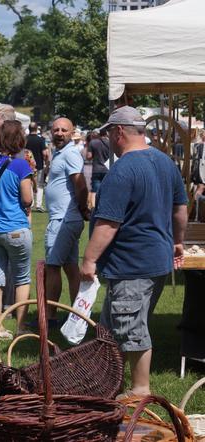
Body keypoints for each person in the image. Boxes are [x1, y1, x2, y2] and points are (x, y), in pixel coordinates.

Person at [80, 106, 187, 399]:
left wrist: (89, 259)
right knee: (112, 328)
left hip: (132, 263)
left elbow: (108, 223)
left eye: (109, 134)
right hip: (156, 261)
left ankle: (140, 390)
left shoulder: (123, 169)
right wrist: (178, 241)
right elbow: (180, 208)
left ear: (118, 132)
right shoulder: (166, 162)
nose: (109, 140)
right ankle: (105, 382)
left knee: (131, 328)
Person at [0, 121, 33, 340]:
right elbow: (28, 199)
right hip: (16, 228)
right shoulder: (21, 166)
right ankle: (20, 327)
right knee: (21, 278)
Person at [43, 117, 89, 325]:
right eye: (56, 130)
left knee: (52, 266)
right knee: (70, 267)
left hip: (64, 219)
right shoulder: (62, 152)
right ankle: (77, 314)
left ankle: (50, 317)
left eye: (64, 130)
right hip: (65, 217)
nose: (59, 133)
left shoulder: (70, 153)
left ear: (72, 133)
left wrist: (82, 208)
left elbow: (80, 185)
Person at [25, 122, 48, 211]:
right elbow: (45, 153)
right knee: (39, 185)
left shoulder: (25, 139)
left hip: (27, 165)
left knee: (29, 183)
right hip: (39, 165)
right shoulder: (40, 140)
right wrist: (46, 161)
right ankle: (38, 204)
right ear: (36, 129)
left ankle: (30, 203)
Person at [87, 129, 110, 208]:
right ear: (106, 133)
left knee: (95, 189)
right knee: (107, 189)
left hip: (96, 169)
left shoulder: (93, 142)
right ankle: (105, 206)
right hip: (108, 169)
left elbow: (89, 156)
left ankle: (93, 208)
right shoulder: (111, 143)